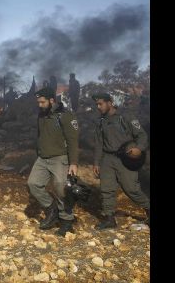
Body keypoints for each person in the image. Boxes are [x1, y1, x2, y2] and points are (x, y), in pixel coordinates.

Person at [91, 93, 150, 229]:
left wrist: (139, 149)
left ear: (110, 102)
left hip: (126, 158)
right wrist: (96, 162)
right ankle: (109, 219)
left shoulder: (126, 117)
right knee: (107, 189)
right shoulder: (101, 121)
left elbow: (141, 135)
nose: (98, 107)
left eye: (101, 104)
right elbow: (99, 143)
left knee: (131, 189)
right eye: (97, 105)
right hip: (107, 158)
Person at [27, 87, 79, 237]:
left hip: (60, 158)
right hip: (42, 158)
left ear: (51, 100)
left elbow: (73, 140)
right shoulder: (41, 115)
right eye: (38, 102)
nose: (40, 105)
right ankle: (52, 210)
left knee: (61, 189)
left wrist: (73, 162)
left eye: (42, 102)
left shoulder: (66, 116)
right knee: (33, 184)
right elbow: (40, 136)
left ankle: (67, 222)